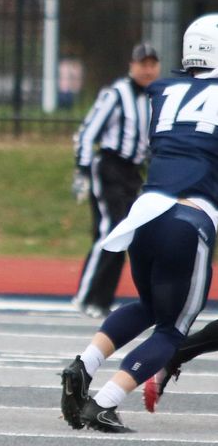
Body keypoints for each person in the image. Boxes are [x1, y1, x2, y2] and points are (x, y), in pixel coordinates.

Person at [60, 15, 218, 433]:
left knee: (149, 305)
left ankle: (84, 363)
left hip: (144, 211)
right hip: (190, 216)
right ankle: (107, 401)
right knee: (173, 327)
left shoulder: (162, 91)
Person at [71, 42, 161, 319]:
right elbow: (88, 133)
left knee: (126, 234)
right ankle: (86, 297)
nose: (147, 69)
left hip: (132, 173)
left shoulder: (155, 97)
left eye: (151, 64)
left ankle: (102, 298)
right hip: (109, 167)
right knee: (113, 230)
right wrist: (83, 170)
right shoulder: (116, 94)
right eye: (142, 64)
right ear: (131, 66)